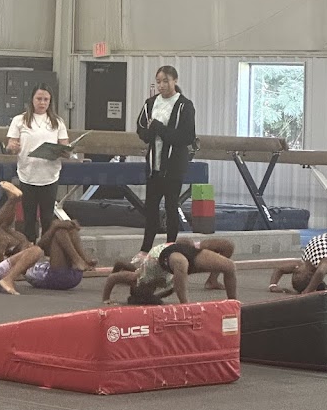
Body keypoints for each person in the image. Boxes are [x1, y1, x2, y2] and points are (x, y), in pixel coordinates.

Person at [134, 66, 196, 260]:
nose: (162, 85)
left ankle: (170, 248)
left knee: (171, 207)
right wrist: (150, 131)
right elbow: (142, 130)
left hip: (173, 166)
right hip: (154, 165)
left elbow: (186, 136)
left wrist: (159, 128)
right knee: (151, 208)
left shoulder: (184, 105)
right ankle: (145, 249)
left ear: (175, 81)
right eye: (159, 82)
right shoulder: (150, 103)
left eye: (166, 81)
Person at [5, 84, 72, 244]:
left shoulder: (57, 122)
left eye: (46, 99)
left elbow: (65, 147)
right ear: (32, 100)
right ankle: (29, 248)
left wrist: (64, 151)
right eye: (39, 99)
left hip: (49, 175)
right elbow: (11, 146)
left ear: (50, 101)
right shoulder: (19, 120)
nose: (42, 103)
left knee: (47, 217)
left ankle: (47, 248)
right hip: (27, 174)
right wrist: (12, 147)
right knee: (28, 218)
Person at [102, 238, 236, 305]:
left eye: (148, 289)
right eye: (151, 292)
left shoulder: (138, 277)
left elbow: (113, 276)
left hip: (171, 250)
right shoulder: (165, 288)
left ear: (138, 287)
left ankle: (232, 302)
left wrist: (106, 299)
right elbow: (174, 288)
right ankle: (186, 305)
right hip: (174, 258)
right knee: (181, 264)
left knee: (229, 261)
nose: (152, 288)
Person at [24, 219, 97, 291]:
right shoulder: (21, 260)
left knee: (70, 229)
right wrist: (54, 226)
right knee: (59, 231)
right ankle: (79, 260)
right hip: (55, 277)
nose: (30, 244)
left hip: (69, 273)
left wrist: (58, 225)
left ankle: (83, 259)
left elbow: (41, 246)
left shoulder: (21, 240)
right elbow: (39, 246)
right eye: (27, 245)